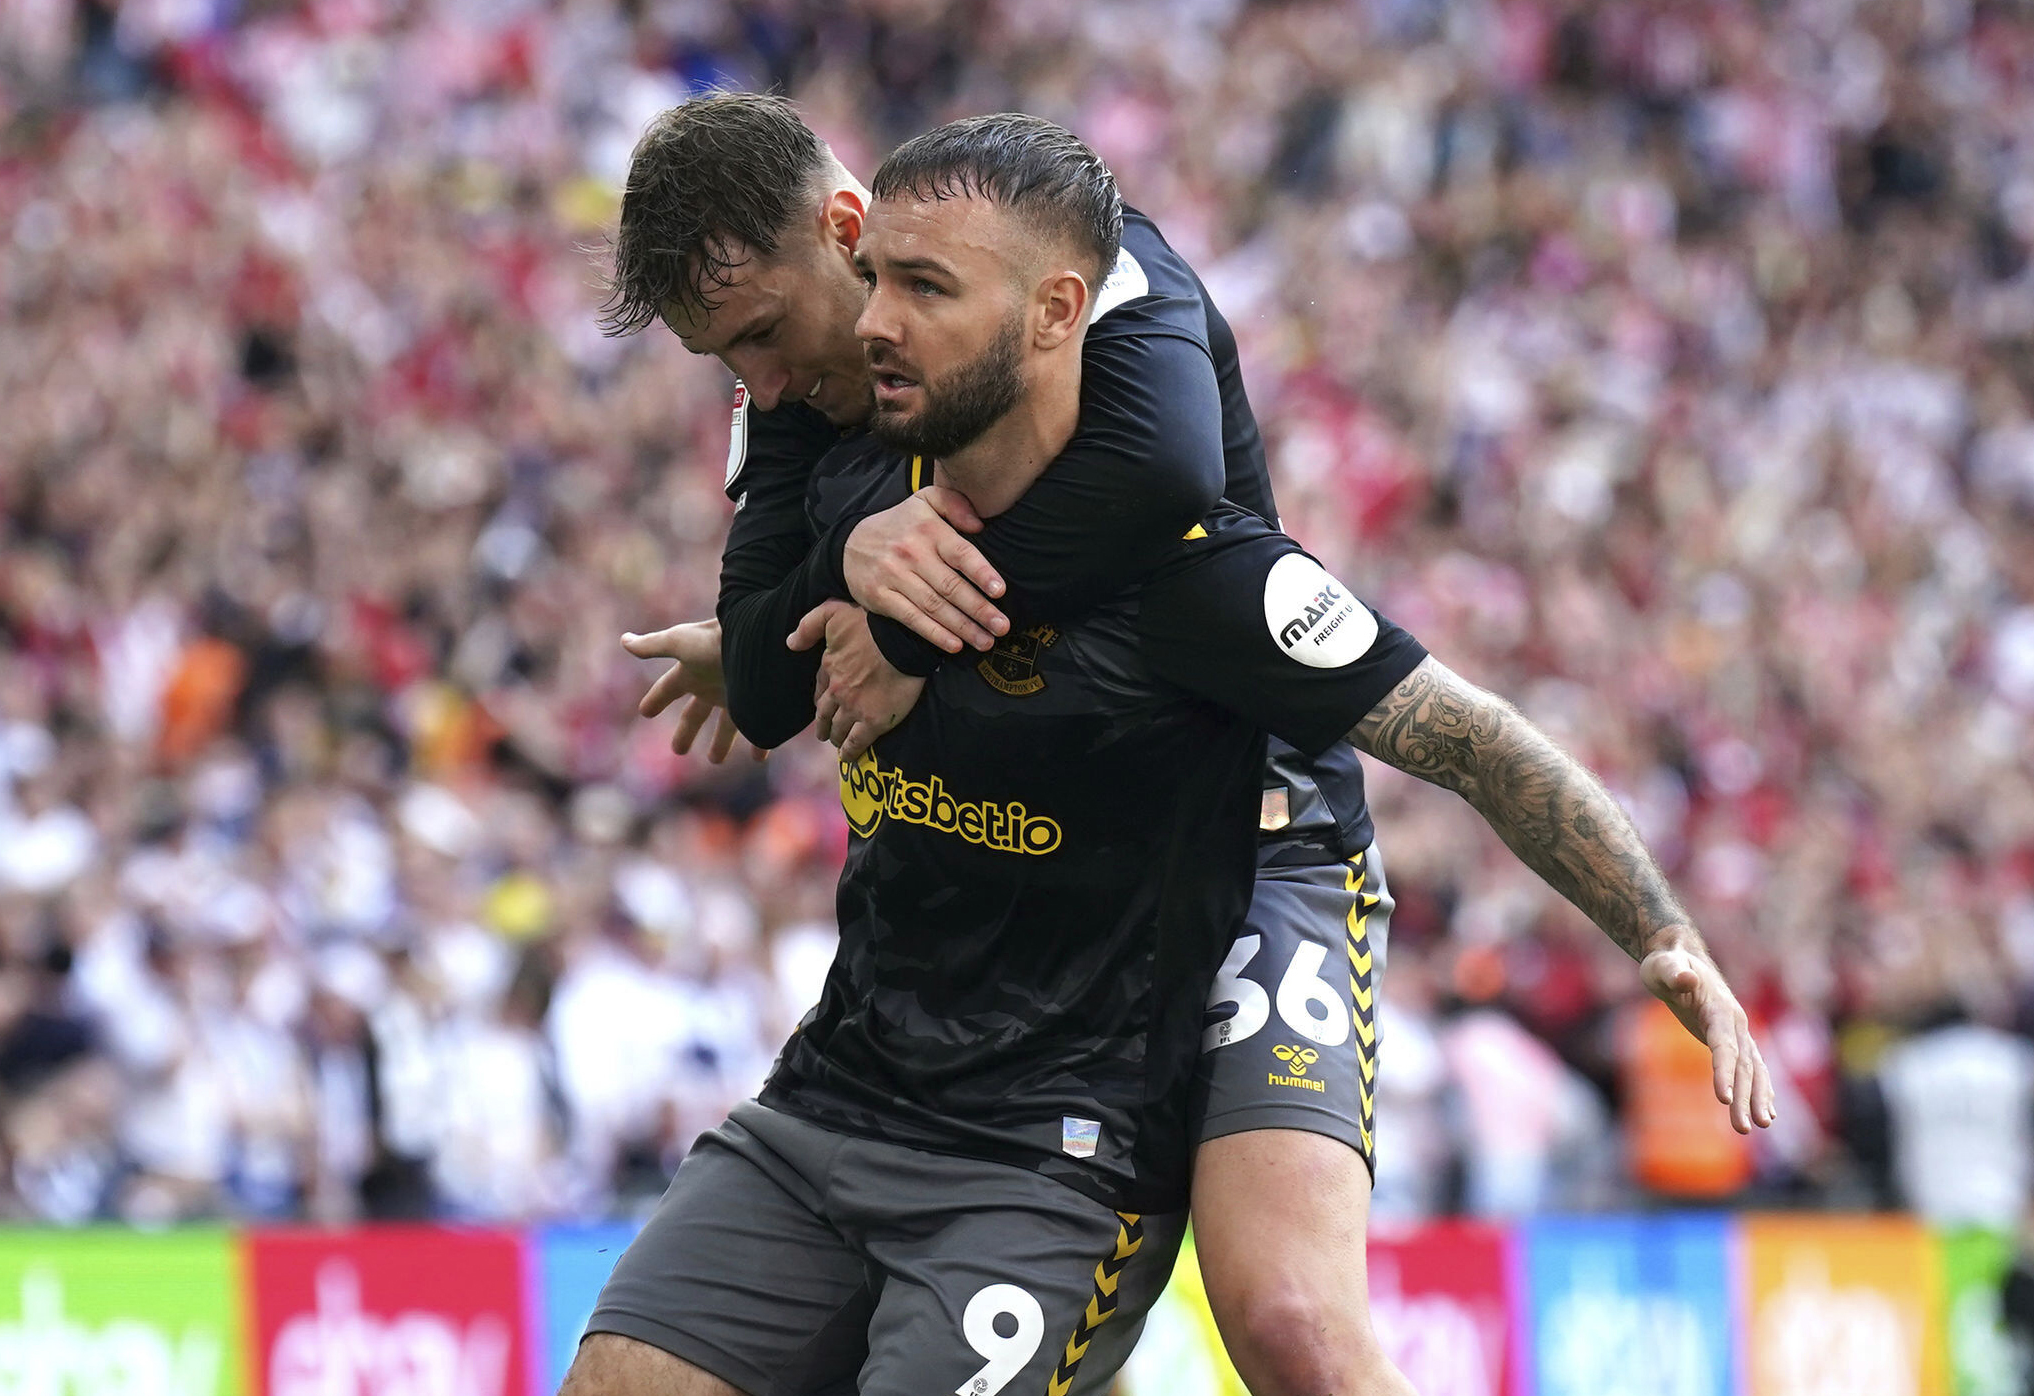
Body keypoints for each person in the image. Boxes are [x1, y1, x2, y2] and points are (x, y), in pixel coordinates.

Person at [578, 109, 1773, 1396]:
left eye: (766, 333)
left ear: (855, 240)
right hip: (994, 953)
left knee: (1291, 1320)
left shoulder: (1121, 352)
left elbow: (1164, 475)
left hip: (1255, 837)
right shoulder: (830, 437)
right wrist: (845, 568)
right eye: (727, 356)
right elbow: (762, 666)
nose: (761, 381)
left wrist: (910, 623)